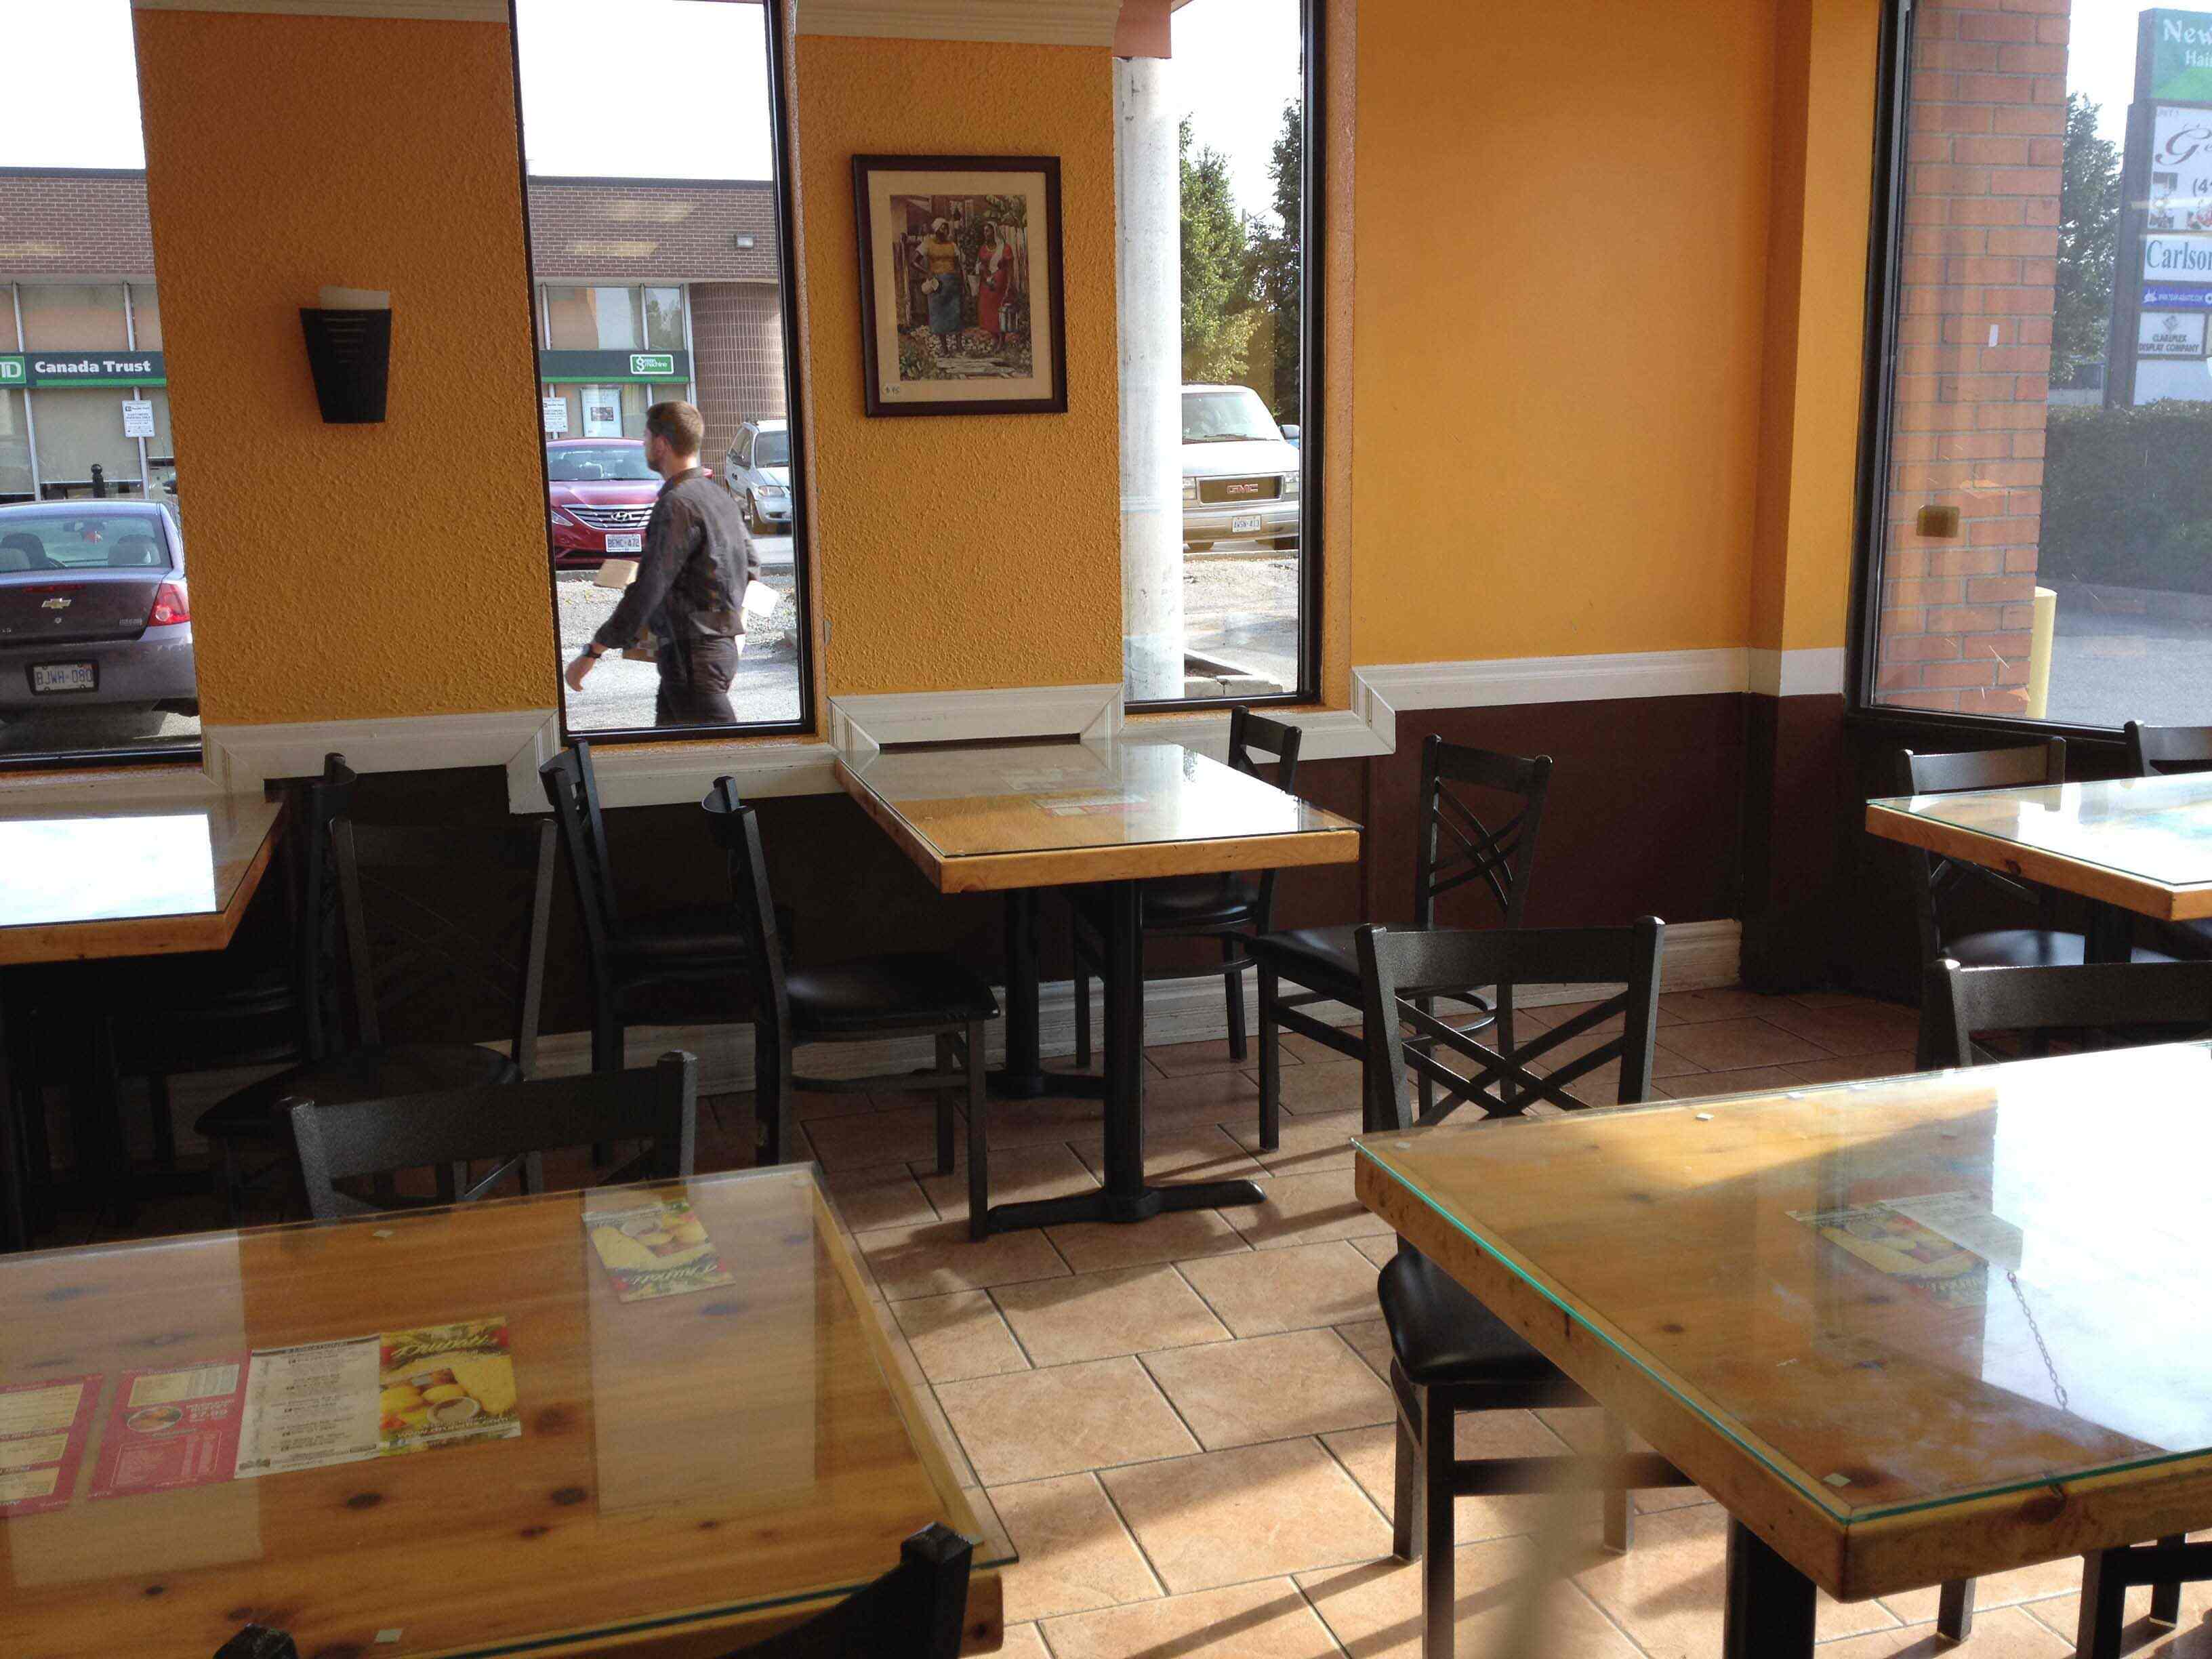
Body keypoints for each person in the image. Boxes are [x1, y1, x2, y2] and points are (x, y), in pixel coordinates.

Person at [565, 401, 758, 727]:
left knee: (726, 750)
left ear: (661, 444)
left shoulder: (676, 505)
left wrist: (593, 651)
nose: (644, 445)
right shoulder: (718, 497)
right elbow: (751, 566)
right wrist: (730, 623)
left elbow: (649, 587)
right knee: (672, 747)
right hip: (713, 652)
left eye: (645, 438)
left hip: (692, 657)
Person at [917, 216, 965, 352]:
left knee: (956, 313)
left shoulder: (952, 245)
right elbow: (913, 261)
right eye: (943, 228)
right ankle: (945, 349)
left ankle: (959, 347)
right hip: (937, 284)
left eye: (947, 228)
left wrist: (962, 283)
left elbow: (958, 266)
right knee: (939, 315)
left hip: (952, 282)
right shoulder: (928, 244)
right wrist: (927, 272)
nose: (946, 231)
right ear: (937, 229)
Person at [975, 220, 1015, 353]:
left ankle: (1002, 341)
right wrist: (983, 272)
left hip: (1000, 284)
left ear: (994, 232)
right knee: (987, 310)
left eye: (988, 231)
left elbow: (1010, 268)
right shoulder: (983, 248)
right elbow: (980, 264)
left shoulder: (1005, 248)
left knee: (999, 312)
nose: (985, 233)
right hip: (987, 284)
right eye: (984, 231)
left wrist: (1009, 285)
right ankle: (995, 338)